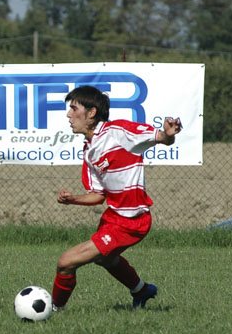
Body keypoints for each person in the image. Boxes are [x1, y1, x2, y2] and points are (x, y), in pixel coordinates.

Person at [51, 85, 182, 310]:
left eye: (74, 109)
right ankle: (142, 291)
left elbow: (161, 137)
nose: (68, 115)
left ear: (91, 113)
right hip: (113, 217)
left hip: (132, 221)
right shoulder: (90, 150)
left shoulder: (118, 131)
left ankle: (51, 310)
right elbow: (98, 196)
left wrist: (168, 136)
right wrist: (73, 199)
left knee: (66, 262)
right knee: (106, 259)